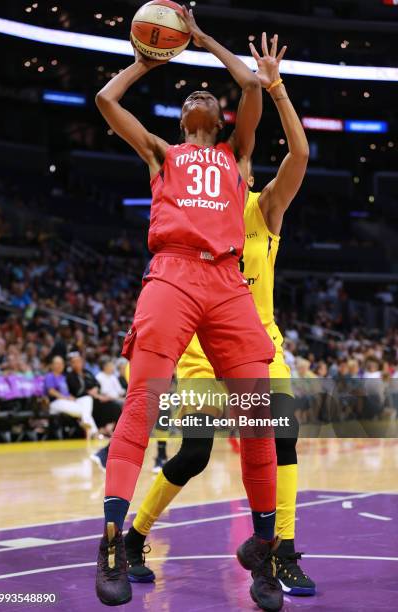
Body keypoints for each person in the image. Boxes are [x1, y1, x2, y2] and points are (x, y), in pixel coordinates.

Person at [95, 9, 281, 610]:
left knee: (258, 423)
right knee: (142, 404)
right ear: (180, 120)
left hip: (228, 283)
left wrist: (201, 40)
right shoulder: (160, 153)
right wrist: (144, 62)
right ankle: (111, 541)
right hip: (172, 274)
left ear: (219, 118)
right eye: (191, 93)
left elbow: (251, 85)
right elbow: (105, 98)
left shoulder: (237, 154)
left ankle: (264, 554)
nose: (202, 92)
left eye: (209, 93)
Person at [123, 33, 315, 597]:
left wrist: (275, 86)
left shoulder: (265, 208)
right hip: (199, 346)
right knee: (195, 451)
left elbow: (300, 155)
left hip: (257, 344)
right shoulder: (196, 201)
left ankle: (280, 554)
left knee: (282, 438)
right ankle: (134, 535)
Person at [45, 355, 97, 437]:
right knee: (84, 411)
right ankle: (94, 432)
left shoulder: (63, 377)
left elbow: (67, 392)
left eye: (61, 363)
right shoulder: (50, 376)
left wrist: (71, 397)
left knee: (87, 398)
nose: (60, 365)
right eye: (57, 363)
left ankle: (92, 431)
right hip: (55, 403)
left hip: (67, 402)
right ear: (52, 365)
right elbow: (51, 391)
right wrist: (65, 398)